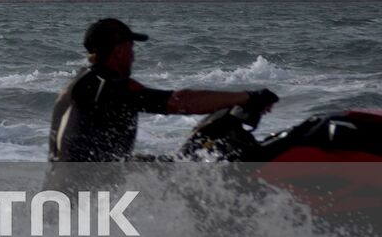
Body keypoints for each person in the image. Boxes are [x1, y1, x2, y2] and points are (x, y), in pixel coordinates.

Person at [48, 18, 278, 162]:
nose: (134, 55)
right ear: (119, 50)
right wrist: (248, 97)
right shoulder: (108, 86)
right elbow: (179, 102)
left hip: (67, 191)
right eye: (131, 47)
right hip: (85, 197)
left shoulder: (80, 83)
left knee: (164, 165)